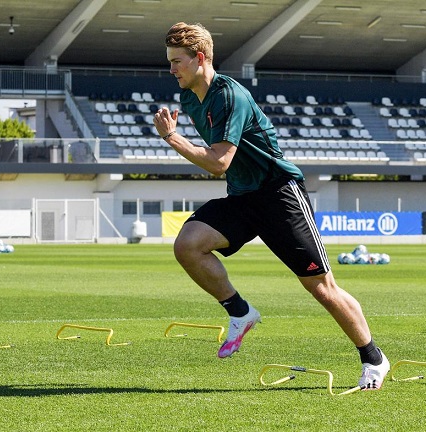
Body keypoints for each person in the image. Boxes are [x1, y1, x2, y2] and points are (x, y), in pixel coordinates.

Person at [153, 22, 390, 390]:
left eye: (176, 62)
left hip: (279, 194)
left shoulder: (229, 95)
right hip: (244, 197)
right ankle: (240, 312)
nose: (171, 70)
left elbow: (219, 162)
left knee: (322, 287)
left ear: (200, 59)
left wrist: (172, 138)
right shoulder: (188, 99)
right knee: (188, 245)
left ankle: (373, 357)